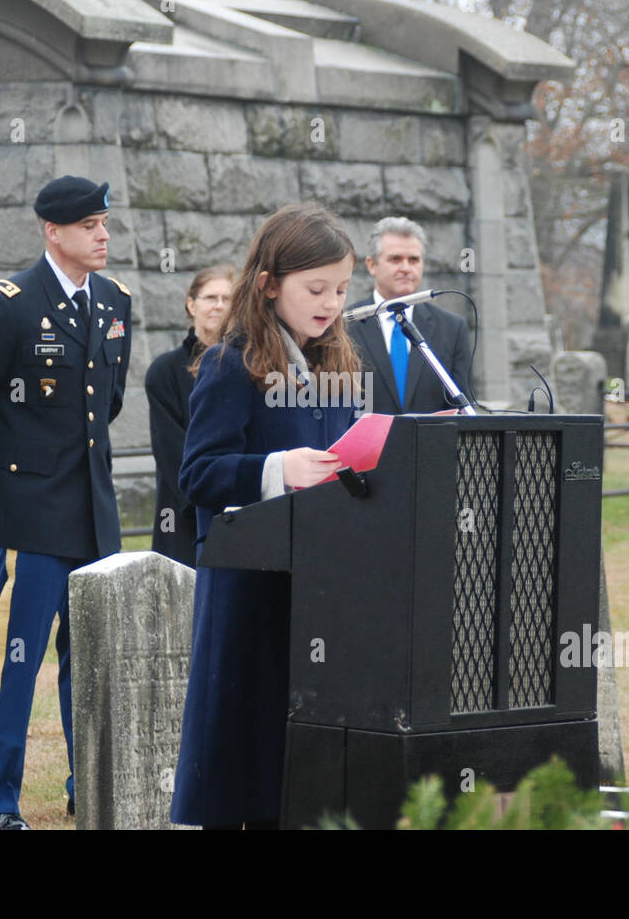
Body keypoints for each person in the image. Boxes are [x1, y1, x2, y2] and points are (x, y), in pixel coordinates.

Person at [0, 175, 131, 831]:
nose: (103, 236)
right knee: (18, 655)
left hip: (95, 514)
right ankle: (1, 800)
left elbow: (106, 406)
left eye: (104, 224)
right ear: (53, 231)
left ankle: (90, 782)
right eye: (89, 226)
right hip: (31, 512)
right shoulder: (10, 304)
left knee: (95, 659)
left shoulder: (113, 301)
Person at [171, 203, 363, 830]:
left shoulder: (337, 366)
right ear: (268, 283)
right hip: (250, 590)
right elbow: (198, 474)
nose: (331, 303)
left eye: (340, 288)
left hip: (321, 587)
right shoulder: (232, 364)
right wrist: (277, 469)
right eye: (316, 288)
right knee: (244, 756)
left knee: (302, 761)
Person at [144, 264, 234, 566]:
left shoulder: (250, 366)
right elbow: (171, 452)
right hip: (184, 517)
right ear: (191, 304)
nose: (219, 305)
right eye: (211, 297)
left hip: (240, 513)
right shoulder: (165, 371)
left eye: (228, 298)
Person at [346, 216, 473, 413]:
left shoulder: (452, 328)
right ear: (372, 265)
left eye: (413, 260)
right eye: (395, 259)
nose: (406, 268)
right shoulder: (345, 325)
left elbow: (462, 407)